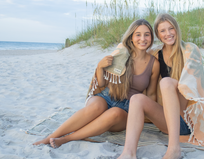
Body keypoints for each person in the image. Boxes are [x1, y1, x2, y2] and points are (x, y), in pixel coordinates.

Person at [113, 13, 204, 159]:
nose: (168, 34)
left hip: (188, 120)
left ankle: (174, 149)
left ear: (177, 29)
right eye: (162, 31)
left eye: (171, 28)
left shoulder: (190, 50)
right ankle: (128, 154)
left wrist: (169, 86)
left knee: (167, 83)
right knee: (136, 99)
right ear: (157, 34)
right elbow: (129, 51)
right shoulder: (155, 54)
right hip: (168, 121)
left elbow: (192, 84)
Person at [33, 19, 159, 148]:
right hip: (107, 97)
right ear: (131, 37)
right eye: (138, 34)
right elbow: (101, 83)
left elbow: (151, 94)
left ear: (151, 37)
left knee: (115, 112)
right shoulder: (120, 55)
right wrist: (100, 67)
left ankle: (66, 139)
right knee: (96, 107)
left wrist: (145, 117)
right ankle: (50, 137)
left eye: (147, 34)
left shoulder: (154, 64)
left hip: (126, 109)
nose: (142, 38)